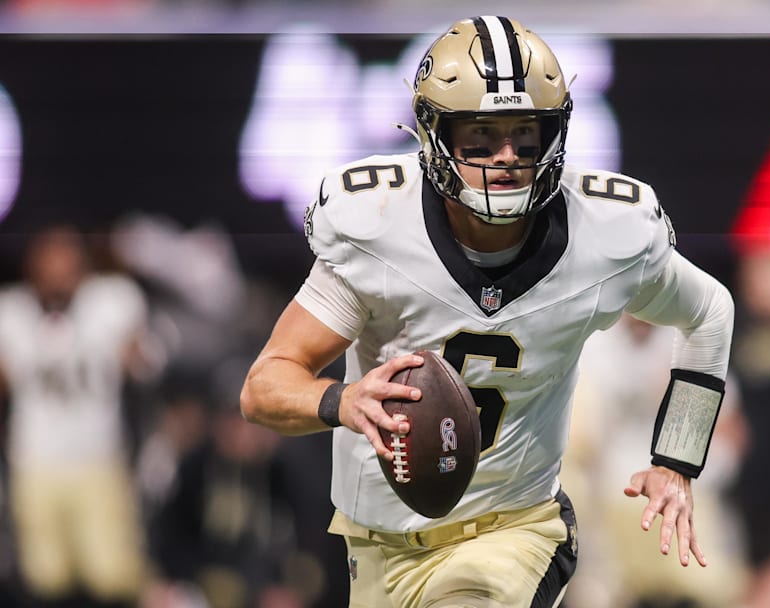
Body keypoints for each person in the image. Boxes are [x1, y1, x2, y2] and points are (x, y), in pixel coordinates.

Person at [240, 15, 735, 608]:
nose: (505, 157)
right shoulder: (377, 229)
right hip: (377, 545)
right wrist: (341, 401)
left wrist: (676, 458)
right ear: (434, 133)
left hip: (515, 533)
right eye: (481, 135)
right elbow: (264, 386)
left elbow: (709, 311)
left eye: (526, 135)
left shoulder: (607, 235)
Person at [0, 224, 151, 607]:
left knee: (113, 576)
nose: (58, 273)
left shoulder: (112, 302)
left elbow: (147, 363)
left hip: (97, 457)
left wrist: (134, 354)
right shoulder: (11, 312)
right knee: (45, 578)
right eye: (49, 262)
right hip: (35, 460)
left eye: (66, 262)